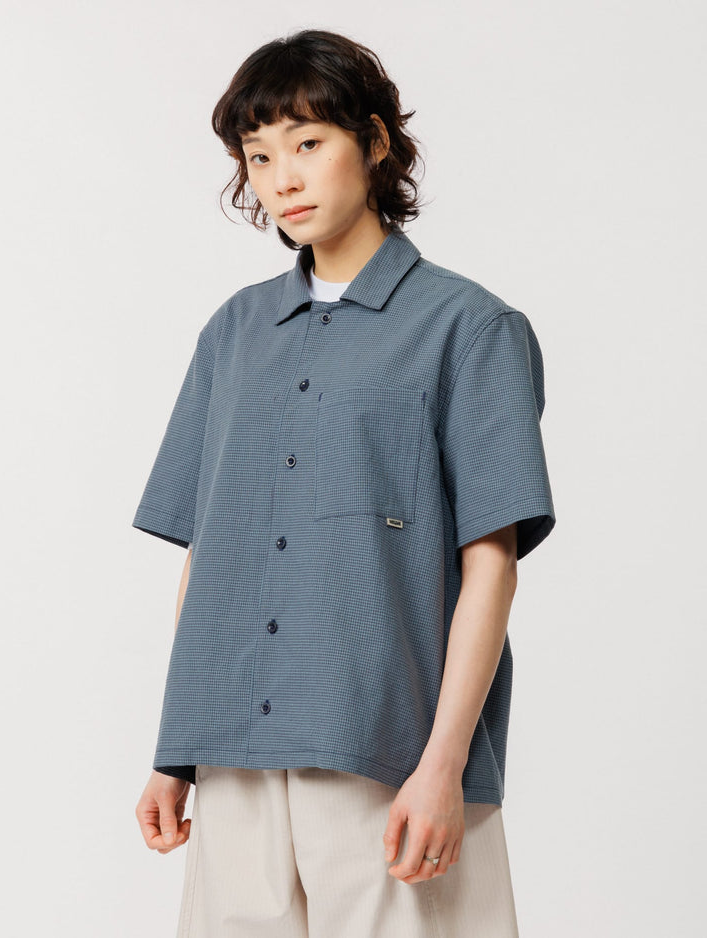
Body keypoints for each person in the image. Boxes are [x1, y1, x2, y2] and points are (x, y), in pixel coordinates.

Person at [132, 28, 556, 938]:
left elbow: (491, 564)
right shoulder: (232, 334)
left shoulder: (469, 328)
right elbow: (210, 553)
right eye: (259, 155)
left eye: (308, 142)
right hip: (235, 754)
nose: (282, 177)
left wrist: (444, 764)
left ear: (374, 142)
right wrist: (178, 750)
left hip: (388, 752)